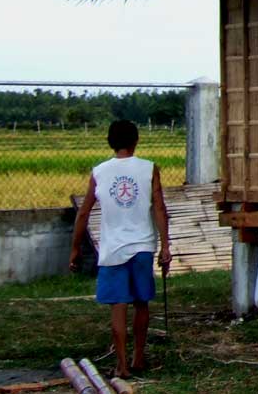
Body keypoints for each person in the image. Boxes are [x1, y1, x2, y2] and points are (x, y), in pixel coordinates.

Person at [69, 119, 172, 379]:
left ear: (110, 142)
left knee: (118, 306)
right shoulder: (149, 169)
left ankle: (122, 365)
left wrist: (74, 250)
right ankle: (139, 357)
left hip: (113, 249)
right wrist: (166, 246)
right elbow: (159, 208)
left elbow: (83, 214)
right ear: (136, 141)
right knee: (141, 303)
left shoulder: (99, 172)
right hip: (142, 247)